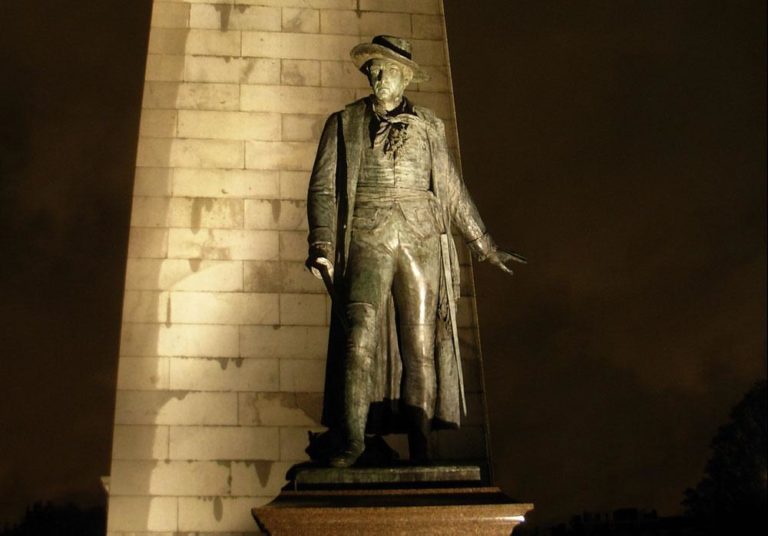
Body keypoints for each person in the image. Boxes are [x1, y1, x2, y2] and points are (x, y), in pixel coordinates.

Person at [306, 35, 525, 468]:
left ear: (406, 75)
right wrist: (322, 242)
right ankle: (351, 441)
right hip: (367, 234)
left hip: (422, 236)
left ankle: (422, 448)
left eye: (385, 68)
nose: (376, 75)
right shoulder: (343, 122)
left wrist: (484, 244)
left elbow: (450, 188)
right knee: (359, 335)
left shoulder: (429, 125)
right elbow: (322, 188)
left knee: (420, 345)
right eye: (372, 69)